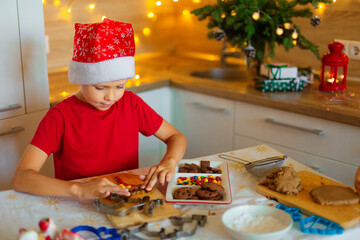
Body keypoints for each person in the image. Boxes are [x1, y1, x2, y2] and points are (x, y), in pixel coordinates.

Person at [12, 18, 187, 201]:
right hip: (78, 203)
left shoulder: (132, 104)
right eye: (100, 88)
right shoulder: (60, 117)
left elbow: (176, 137)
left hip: (126, 200)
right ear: (81, 77)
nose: (110, 97)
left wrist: (169, 162)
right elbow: (22, 177)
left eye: (120, 86)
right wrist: (78, 189)